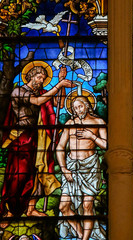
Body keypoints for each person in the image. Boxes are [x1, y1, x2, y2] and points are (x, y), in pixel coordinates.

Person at [0, 62, 73, 223]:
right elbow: (38, 101)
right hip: (21, 137)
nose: (41, 81)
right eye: (39, 77)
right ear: (31, 75)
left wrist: (61, 83)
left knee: (38, 172)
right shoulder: (18, 91)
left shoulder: (41, 92)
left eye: (43, 78)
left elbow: (59, 104)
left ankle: (31, 209)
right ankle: (8, 211)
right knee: (18, 175)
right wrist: (59, 84)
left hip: (38, 137)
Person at [56, 96, 106, 240]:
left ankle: (85, 238)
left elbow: (106, 145)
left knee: (87, 206)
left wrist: (91, 136)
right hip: (71, 167)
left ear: (87, 106)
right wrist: (64, 168)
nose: (78, 110)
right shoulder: (70, 123)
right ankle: (79, 231)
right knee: (63, 207)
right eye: (75, 108)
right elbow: (60, 147)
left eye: (80, 107)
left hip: (90, 167)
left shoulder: (98, 122)